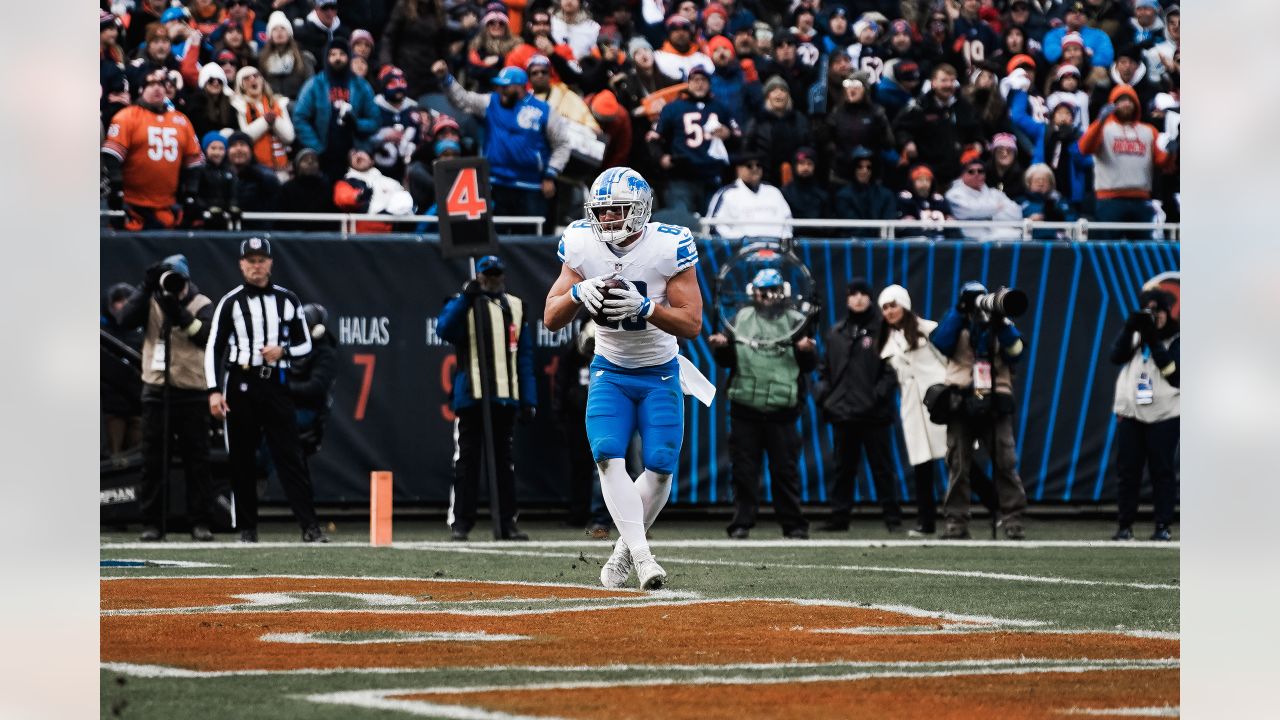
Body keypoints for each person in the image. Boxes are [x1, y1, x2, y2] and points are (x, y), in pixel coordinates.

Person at [543, 166, 708, 590]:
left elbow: (692, 324)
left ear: (640, 209)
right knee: (606, 454)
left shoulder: (669, 245)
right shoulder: (582, 241)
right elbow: (550, 315)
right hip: (610, 370)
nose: (609, 220)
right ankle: (642, 556)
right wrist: (578, 293)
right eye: (603, 211)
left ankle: (620, 554)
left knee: (661, 467)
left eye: (619, 211)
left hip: (659, 371)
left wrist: (647, 308)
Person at [205, 238, 327, 543]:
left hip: (275, 383)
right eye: (251, 260)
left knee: (290, 456)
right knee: (242, 458)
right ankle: (247, 528)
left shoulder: (288, 300)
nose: (256, 266)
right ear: (241, 264)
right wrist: (213, 390)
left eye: (261, 260)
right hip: (240, 384)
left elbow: (305, 344)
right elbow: (213, 348)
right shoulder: (231, 302)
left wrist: (282, 351)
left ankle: (309, 526)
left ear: (270, 264)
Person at [114, 255, 217, 542]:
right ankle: (152, 523)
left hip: (192, 390)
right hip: (157, 390)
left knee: (198, 461)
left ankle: (200, 522)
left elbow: (207, 336)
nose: (174, 287)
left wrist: (181, 314)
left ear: (188, 281)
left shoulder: (202, 303)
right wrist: (145, 288)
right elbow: (124, 320)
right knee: (153, 460)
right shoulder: (150, 298)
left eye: (178, 281)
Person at [435, 255, 537, 542]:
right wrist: (467, 298)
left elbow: (524, 356)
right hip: (472, 395)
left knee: (504, 464)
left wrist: (528, 398)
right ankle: (461, 523)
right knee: (467, 462)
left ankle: (507, 523)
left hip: (505, 397)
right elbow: (444, 330)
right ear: (478, 276)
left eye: (496, 274)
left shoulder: (515, 306)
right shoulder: (463, 302)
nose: (492, 279)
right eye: (487, 275)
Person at [709, 269, 814, 539]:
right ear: (753, 292)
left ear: (782, 291)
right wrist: (722, 347)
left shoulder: (797, 321)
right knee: (744, 471)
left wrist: (808, 351)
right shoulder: (740, 319)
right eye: (761, 290)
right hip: (746, 407)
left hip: (784, 409)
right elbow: (728, 361)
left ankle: (793, 525)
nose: (767, 296)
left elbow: (810, 365)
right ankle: (742, 523)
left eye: (772, 290)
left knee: (785, 472)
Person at [930, 281, 1029, 540]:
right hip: (961, 399)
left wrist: (1001, 321)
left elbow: (1016, 352)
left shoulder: (1000, 323)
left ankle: (1013, 521)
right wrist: (960, 311)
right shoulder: (956, 320)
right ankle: (956, 523)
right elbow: (941, 343)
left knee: (1005, 462)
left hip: (996, 398)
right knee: (958, 463)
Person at [814, 279, 904, 533]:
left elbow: (891, 371)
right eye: (854, 294)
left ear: (870, 298)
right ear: (847, 299)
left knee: (882, 469)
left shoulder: (883, 330)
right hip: (843, 413)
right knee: (843, 469)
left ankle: (892, 519)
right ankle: (839, 518)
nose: (859, 298)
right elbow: (825, 370)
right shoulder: (836, 333)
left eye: (864, 293)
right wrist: (824, 396)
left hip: (874, 414)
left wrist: (877, 397)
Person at [433, 60, 572, 219]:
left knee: (529, 236)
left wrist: (550, 175)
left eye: (505, 86)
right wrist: (446, 78)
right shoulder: (491, 102)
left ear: (520, 87)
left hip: (531, 186)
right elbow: (462, 100)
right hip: (495, 183)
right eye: (499, 86)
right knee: (498, 234)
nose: (500, 90)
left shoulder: (544, 110)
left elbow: (562, 144)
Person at [877, 285, 948, 537]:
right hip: (911, 407)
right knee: (921, 467)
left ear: (904, 305)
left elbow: (948, 361)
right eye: (884, 308)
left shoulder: (930, 329)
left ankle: (996, 508)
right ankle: (926, 523)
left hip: (939, 403)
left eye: (893, 305)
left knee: (960, 461)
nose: (889, 311)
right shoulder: (886, 342)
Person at [1109, 288, 1179, 541]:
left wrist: (1154, 339)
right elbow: (1115, 356)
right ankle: (1124, 527)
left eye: (1158, 311)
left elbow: (1174, 374)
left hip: (1165, 414)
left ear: (1167, 313)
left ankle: (1162, 526)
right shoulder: (1137, 335)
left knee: (1161, 471)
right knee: (1128, 473)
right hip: (1131, 414)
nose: (1155, 317)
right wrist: (1130, 329)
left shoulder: (1177, 339)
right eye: (1149, 312)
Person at [102, 68, 205, 231]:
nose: (157, 88)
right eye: (151, 84)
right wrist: (117, 187)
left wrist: (191, 194)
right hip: (132, 206)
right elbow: (112, 155)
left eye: (161, 84)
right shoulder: (127, 116)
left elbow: (194, 161)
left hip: (168, 207)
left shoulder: (181, 120)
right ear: (141, 89)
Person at [1078, 84, 1176, 239]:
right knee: (1108, 249)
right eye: (1121, 100)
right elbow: (1084, 147)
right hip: (1109, 200)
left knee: (1141, 251)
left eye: (1130, 100)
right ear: (1113, 104)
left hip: (1141, 199)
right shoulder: (1104, 128)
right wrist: (1099, 122)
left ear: (1136, 104)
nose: (1126, 104)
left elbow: (1162, 163)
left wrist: (1172, 151)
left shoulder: (1149, 130)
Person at [648, 65, 736, 216]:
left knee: (713, 226)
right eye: (695, 80)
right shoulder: (673, 108)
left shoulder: (721, 108)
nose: (699, 83)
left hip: (712, 176)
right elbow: (654, 138)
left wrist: (729, 135)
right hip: (682, 175)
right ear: (687, 83)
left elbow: (739, 139)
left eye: (703, 80)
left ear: (709, 83)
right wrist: (661, 158)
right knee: (682, 224)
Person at [553, 322, 612, 536]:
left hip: (608, 414)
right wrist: (560, 412)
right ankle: (584, 515)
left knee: (614, 465)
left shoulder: (618, 346)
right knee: (582, 467)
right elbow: (562, 381)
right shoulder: (573, 351)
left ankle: (625, 518)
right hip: (579, 416)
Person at [293, 38, 381, 181]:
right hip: (324, 155)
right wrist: (317, 148)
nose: (337, 58)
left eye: (341, 54)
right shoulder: (315, 84)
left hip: (354, 155)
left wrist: (357, 124)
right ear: (326, 58)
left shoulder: (361, 86)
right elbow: (300, 118)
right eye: (332, 54)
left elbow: (375, 120)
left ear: (349, 57)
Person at [892, 63, 980, 185]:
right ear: (933, 83)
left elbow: (975, 130)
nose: (948, 85)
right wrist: (907, 142)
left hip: (958, 170)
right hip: (929, 170)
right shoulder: (920, 106)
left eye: (952, 81)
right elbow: (900, 127)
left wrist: (977, 143)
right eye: (944, 81)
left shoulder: (963, 106)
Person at [101, 283, 144, 461]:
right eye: (118, 301)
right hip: (113, 407)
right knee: (115, 455)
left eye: (126, 300)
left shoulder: (143, 332)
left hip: (138, 405)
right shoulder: (103, 334)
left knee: (137, 454)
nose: (122, 304)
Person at [289, 303, 338, 459]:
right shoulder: (292, 348)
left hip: (308, 412)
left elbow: (315, 388)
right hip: (288, 406)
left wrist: (284, 388)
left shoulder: (326, 354)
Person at [706, 153, 793, 240]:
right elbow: (715, 225)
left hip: (775, 248)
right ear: (738, 170)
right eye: (749, 166)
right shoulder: (727, 194)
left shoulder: (774, 192)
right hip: (740, 250)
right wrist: (738, 240)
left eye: (758, 165)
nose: (755, 169)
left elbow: (788, 222)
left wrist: (783, 239)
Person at [232, 66, 296, 181]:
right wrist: (265, 121)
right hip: (256, 170)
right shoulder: (239, 106)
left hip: (282, 169)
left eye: (256, 76)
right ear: (241, 85)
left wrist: (274, 120)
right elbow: (245, 138)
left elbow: (289, 137)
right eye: (247, 78)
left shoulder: (278, 103)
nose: (252, 79)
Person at [380, 0, 453, 99]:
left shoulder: (439, 9)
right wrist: (386, 64)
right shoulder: (404, 6)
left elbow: (443, 46)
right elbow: (389, 37)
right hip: (406, 70)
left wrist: (448, 72)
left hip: (430, 73)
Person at [946, 156, 1022, 240]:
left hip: (997, 237)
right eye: (971, 171)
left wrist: (983, 212)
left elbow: (1016, 214)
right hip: (968, 241)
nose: (977, 174)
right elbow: (969, 210)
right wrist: (997, 208)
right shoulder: (953, 194)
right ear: (962, 175)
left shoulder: (994, 193)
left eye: (980, 171)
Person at [226, 131, 282, 224]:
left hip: (258, 229)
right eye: (234, 145)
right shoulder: (221, 174)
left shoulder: (264, 174)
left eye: (243, 144)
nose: (238, 149)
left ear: (251, 150)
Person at [259, 10, 316, 101]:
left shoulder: (303, 58)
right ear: (270, 35)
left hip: (298, 105)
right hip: (272, 106)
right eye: (275, 29)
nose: (279, 32)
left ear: (289, 33)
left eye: (283, 28)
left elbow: (311, 86)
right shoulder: (262, 60)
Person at [1043, 1, 1114, 69]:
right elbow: (1051, 55)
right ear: (1065, 15)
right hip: (1062, 69)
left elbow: (1106, 58)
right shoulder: (1054, 34)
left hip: (1089, 71)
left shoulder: (1099, 35)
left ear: (1087, 18)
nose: (1077, 14)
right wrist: (1079, 54)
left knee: (1100, 71)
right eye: (1073, 11)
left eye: (1082, 12)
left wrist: (1085, 60)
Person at [297, 0, 351, 66]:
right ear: (316, 9)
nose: (329, 12)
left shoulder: (344, 32)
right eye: (325, 8)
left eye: (333, 7)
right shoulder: (304, 32)